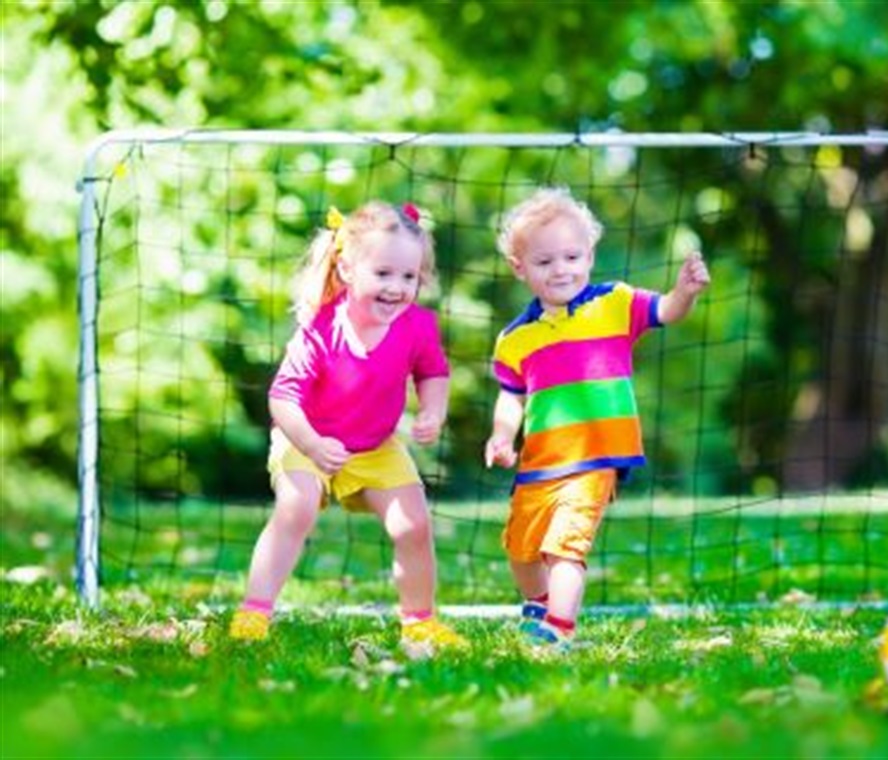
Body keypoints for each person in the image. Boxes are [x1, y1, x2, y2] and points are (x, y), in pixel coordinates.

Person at [229, 201, 467, 656]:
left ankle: (420, 622)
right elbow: (282, 397)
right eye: (383, 274)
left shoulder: (417, 326)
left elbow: (433, 372)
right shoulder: (320, 329)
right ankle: (254, 613)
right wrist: (313, 445)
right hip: (307, 438)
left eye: (409, 277)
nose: (397, 288)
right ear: (347, 268)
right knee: (295, 509)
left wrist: (432, 412)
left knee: (413, 524)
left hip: (376, 446)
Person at [484, 187, 711, 649]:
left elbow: (667, 311)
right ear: (519, 268)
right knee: (521, 549)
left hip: (595, 458)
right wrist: (501, 436)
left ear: (589, 256)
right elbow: (510, 396)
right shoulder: (514, 338)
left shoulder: (615, 304)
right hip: (539, 464)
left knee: (564, 546)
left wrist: (683, 292)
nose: (561, 268)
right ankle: (538, 606)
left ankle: (558, 629)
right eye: (545, 261)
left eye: (571, 256)